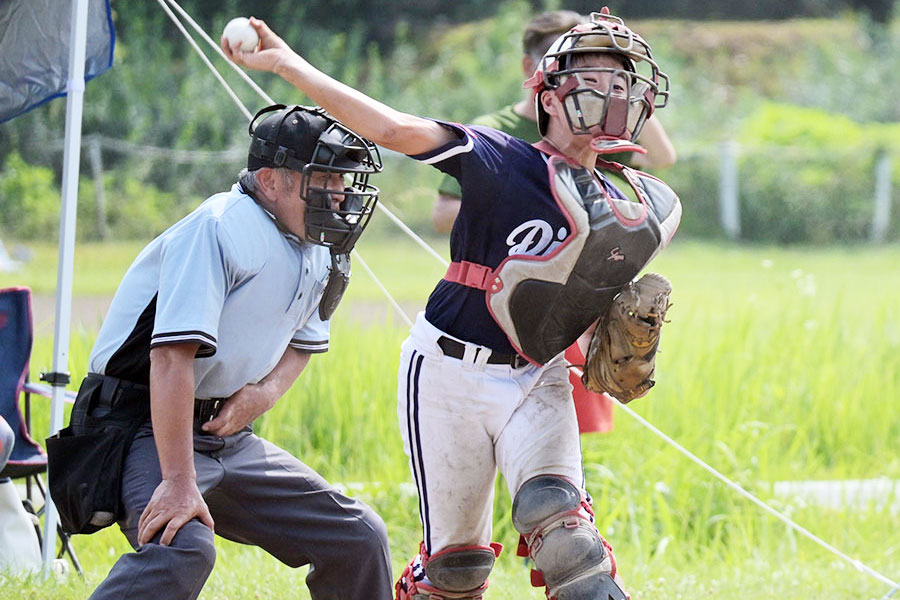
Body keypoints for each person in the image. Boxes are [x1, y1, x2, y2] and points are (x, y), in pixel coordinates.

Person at [225, 7, 681, 600]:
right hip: (446, 375)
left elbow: (572, 304)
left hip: (535, 377)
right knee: (457, 571)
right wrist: (287, 63)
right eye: (592, 78)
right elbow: (391, 130)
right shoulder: (501, 158)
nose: (611, 92)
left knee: (569, 538)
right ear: (548, 93)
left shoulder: (631, 202)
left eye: (622, 82)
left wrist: (603, 340)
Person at [61, 104, 393, 599]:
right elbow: (170, 359)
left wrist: (263, 393)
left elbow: (304, 343)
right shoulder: (219, 227)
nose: (341, 192)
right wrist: (177, 481)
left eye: (342, 178)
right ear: (270, 180)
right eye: (324, 177)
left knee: (357, 537)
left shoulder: (321, 243)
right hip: (142, 424)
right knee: (185, 546)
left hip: (226, 433)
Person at [431, 10, 678, 437]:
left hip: (578, 305)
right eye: (572, 59)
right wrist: (534, 201)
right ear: (533, 69)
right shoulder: (501, 131)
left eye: (594, 60)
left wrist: (619, 87)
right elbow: (442, 215)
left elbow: (662, 157)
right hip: (514, 294)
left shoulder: (601, 133)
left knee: (563, 448)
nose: (584, 71)